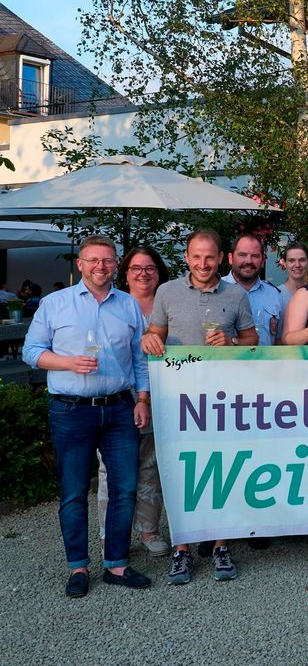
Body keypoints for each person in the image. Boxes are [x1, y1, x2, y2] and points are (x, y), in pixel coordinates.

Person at [22, 235, 152, 597]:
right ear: (80, 264)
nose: (100, 266)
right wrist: (67, 362)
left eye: (108, 261)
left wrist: (142, 398)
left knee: (125, 490)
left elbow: (140, 359)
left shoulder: (128, 306)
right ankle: (78, 567)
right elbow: (31, 352)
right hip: (70, 410)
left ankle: (117, 564)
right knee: (74, 492)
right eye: (93, 260)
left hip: (119, 408)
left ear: (116, 265)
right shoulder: (55, 304)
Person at [143, 228, 258, 584]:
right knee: (180, 472)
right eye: (196, 256)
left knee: (220, 469)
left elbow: (252, 340)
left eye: (210, 257)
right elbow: (155, 335)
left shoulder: (236, 294)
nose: (203, 263)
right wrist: (149, 337)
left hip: (222, 399)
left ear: (221, 258)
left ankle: (221, 545)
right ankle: (182, 548)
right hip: (177, 398)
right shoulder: (167, 291)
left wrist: (232, 340)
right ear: (187, 258)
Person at [96, 247, 171, 558]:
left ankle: (149, 530)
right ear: (124, 273)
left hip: (162, 396)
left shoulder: (169, 303)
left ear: (159, 272)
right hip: (118, 398)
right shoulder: (111, 306)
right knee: (110, 469)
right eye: (136, 268)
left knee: (151, 467)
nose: (143, 273)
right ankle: (110, 534)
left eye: (150, 267)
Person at [223, 233, 285, 345]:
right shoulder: (217, 290)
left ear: (262, 261)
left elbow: (279, 341)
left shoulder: (274, 294)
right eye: (242, 255)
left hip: (265, 361)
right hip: (227, 361)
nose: (249, 261)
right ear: (230, 258)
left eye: (255, 256)